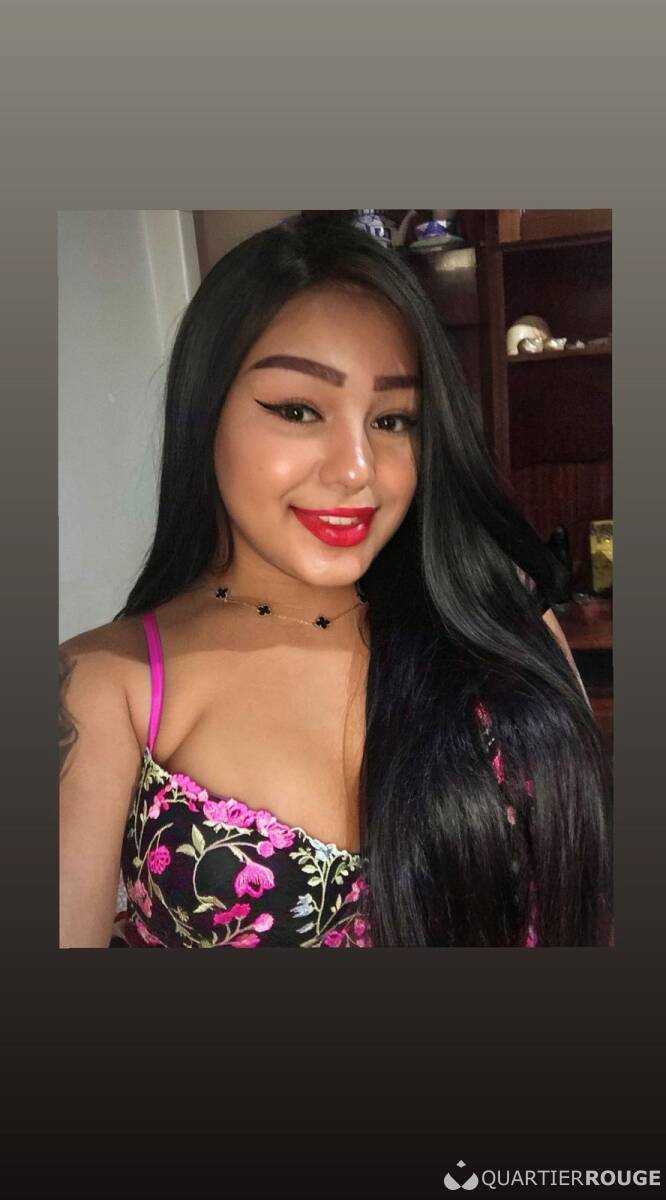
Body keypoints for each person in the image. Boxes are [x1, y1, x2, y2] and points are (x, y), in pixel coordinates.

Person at [59, 214, 612, 949]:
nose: (356, 470)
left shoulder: (499, 620)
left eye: (393, 420)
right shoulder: (103, 686)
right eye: (298, 410)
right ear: (205, 413)